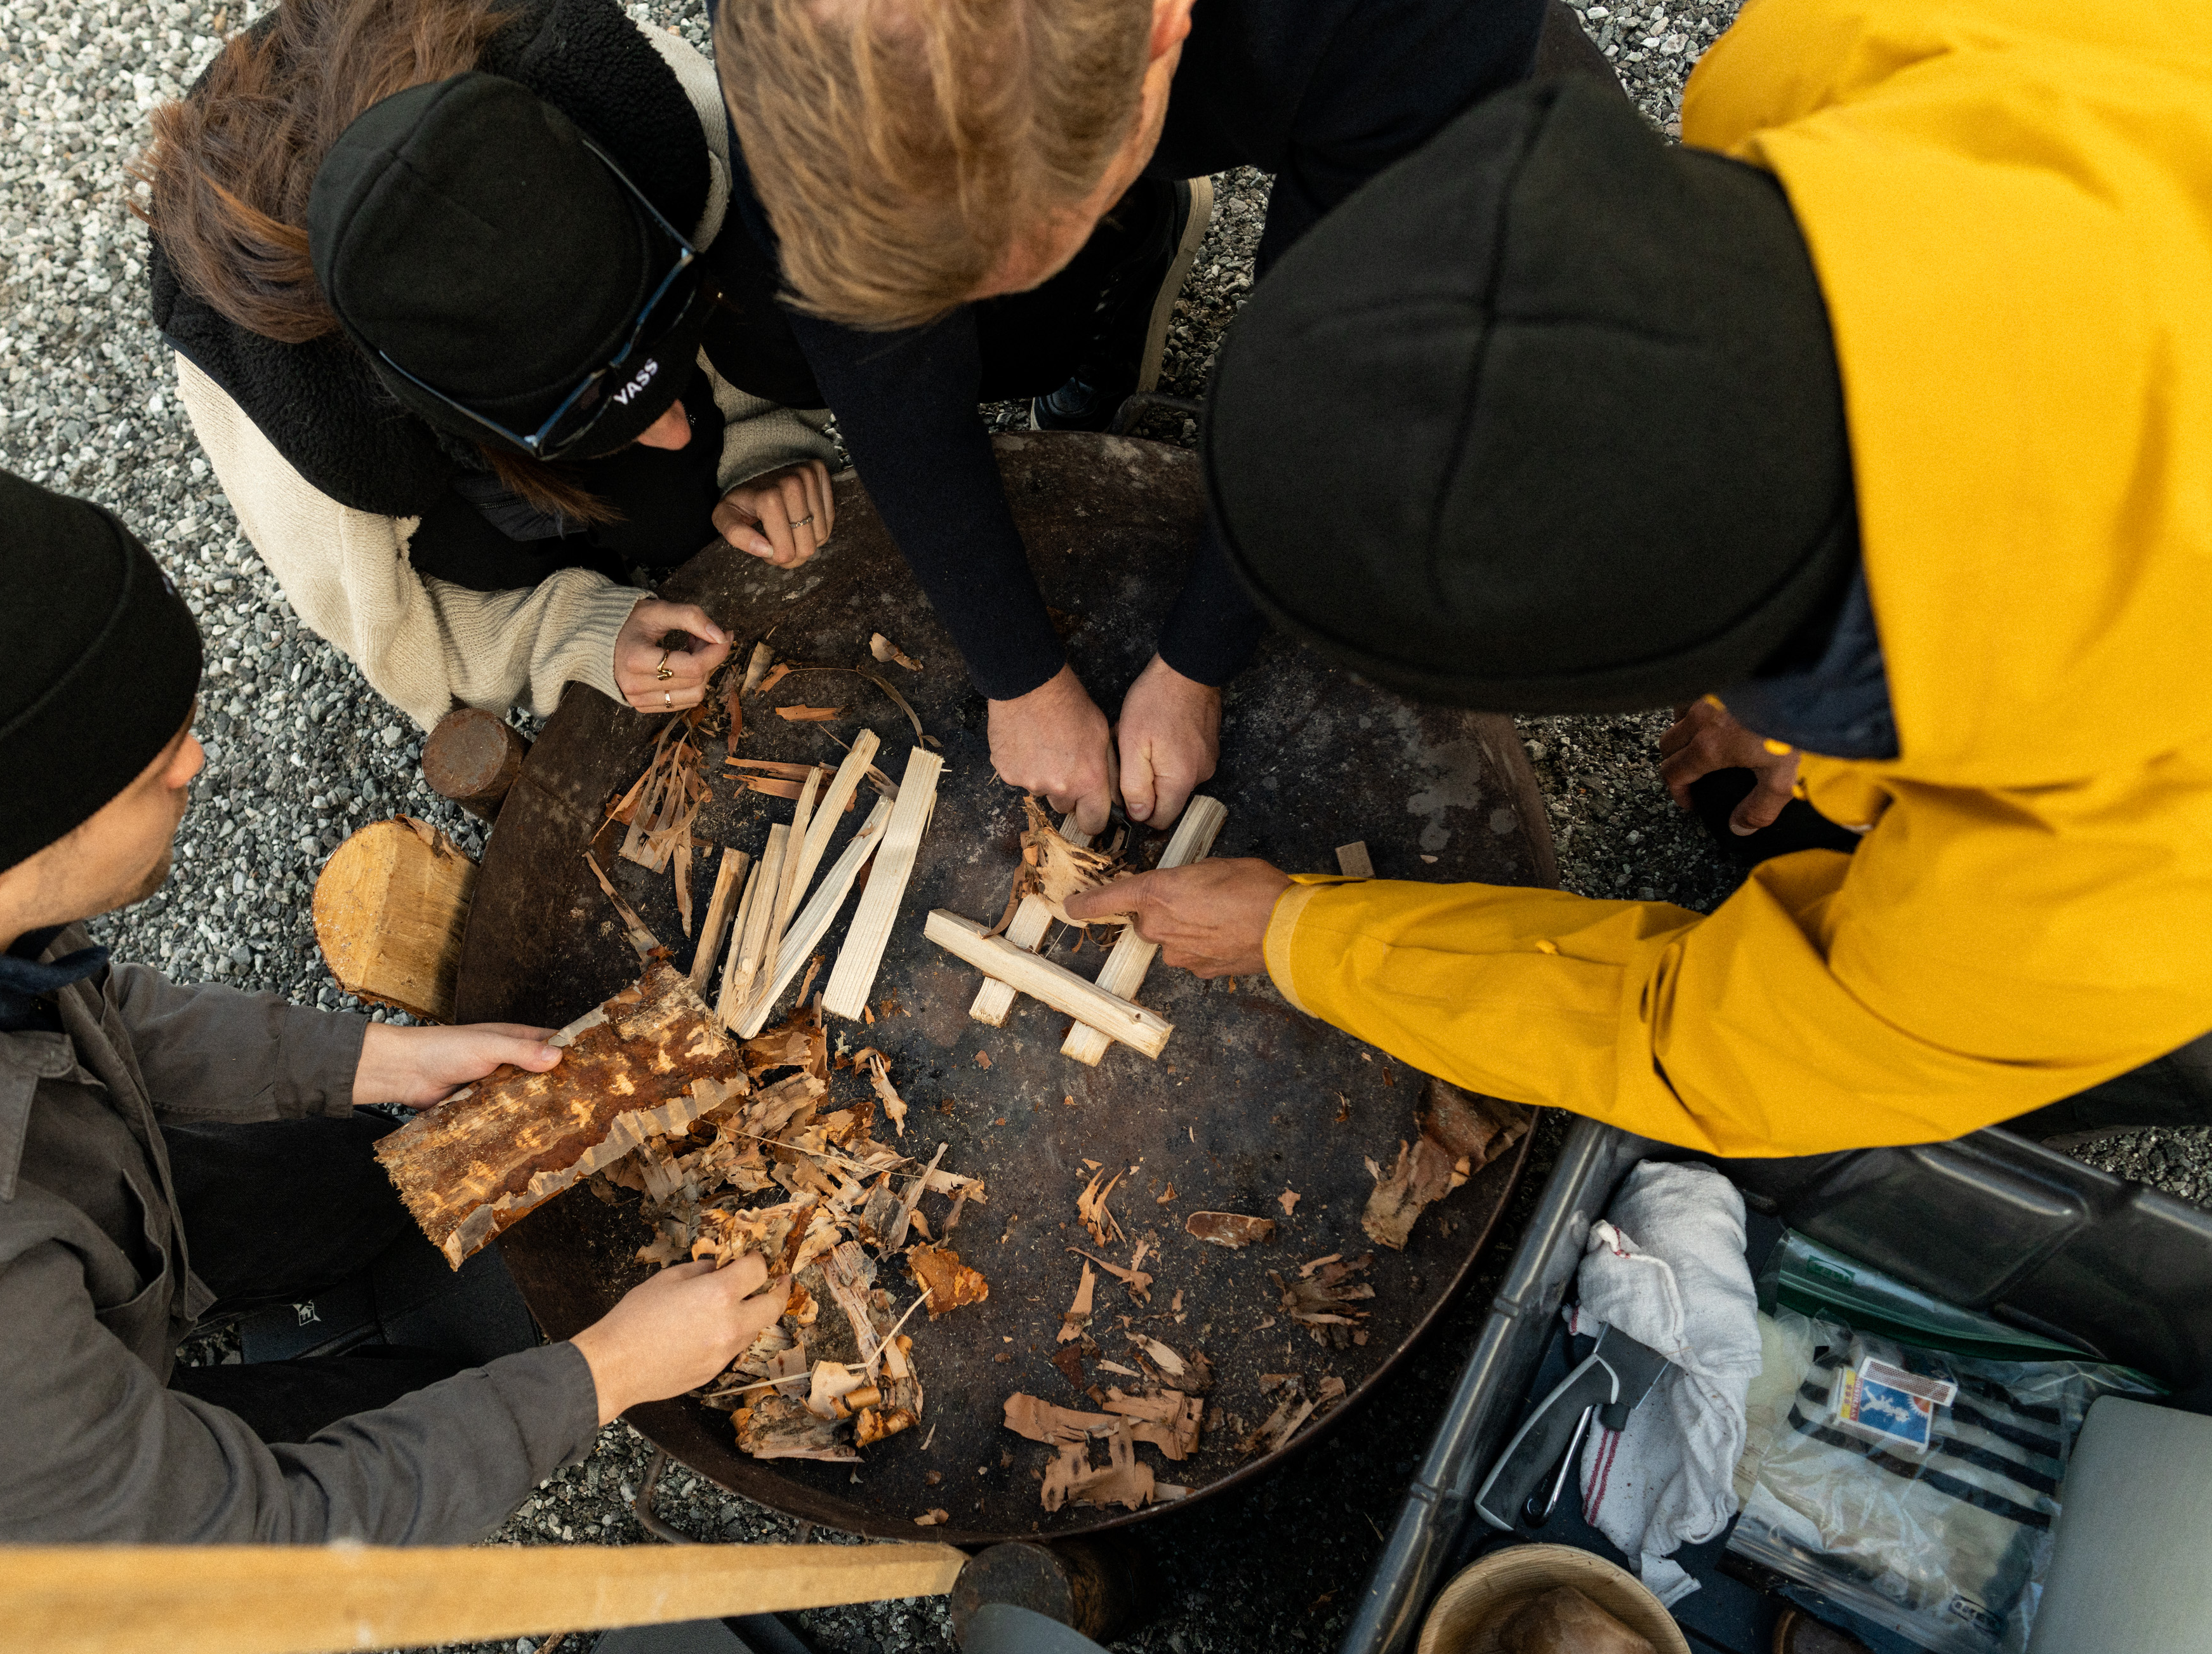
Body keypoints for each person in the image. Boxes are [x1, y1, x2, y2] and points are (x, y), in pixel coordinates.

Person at [1070, 0, 2212, 1159]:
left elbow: (1729, 1047)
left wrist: (1302, 936)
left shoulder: (2112, 890)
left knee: (2040, 1057)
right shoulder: (1839, 58)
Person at [0, 392, 788, 1543]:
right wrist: (602, 1372)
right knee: (367, 1424)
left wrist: (371, 1058)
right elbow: (240, 1542)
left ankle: (206, 1270)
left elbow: (57, 1001)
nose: (199, 759)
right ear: (3, 846)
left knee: (341, 1174)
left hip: (22, 1215)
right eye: (157, 759)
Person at [708, 0, 1570, 831]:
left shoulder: (1427, 22)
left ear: (1162, 27)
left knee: (1498, 316)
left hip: (1368, 52)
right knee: (801, 326)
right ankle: (1096, 260)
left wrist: (1201, 656)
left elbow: (1341, 359)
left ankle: (1123, 232)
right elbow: (877, 367)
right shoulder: (799, 31)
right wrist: (1018, 672)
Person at [140, 0, 844, 732]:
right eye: (590, 402)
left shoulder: (628, 109)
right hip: (405, 440)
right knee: (501, 551)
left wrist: (758, 440)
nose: (675, 430)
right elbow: (393, 635)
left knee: (672, 500)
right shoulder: (304, 409)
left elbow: (757, 276)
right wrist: (576, 634)